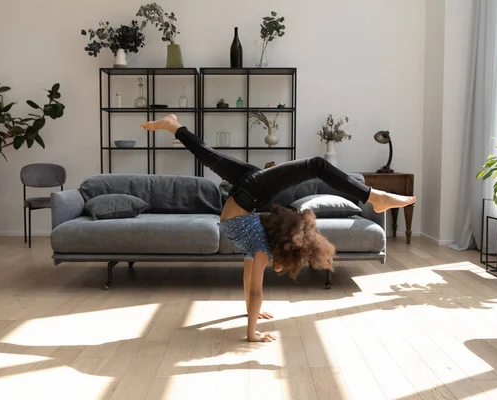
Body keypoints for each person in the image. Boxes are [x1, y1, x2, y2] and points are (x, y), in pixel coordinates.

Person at [141, 115, 416, 342]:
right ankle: (374, 197)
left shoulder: (257, 247)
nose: (281, 268)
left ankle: (174, 126)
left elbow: (251, 287)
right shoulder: (258, 248)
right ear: (283, 249)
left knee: (212, 156)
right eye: (284, 265)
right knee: (315, 165)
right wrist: (253, 325)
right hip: (246, 197)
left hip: (247, 196)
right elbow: (253, 289)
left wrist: (252, 319)